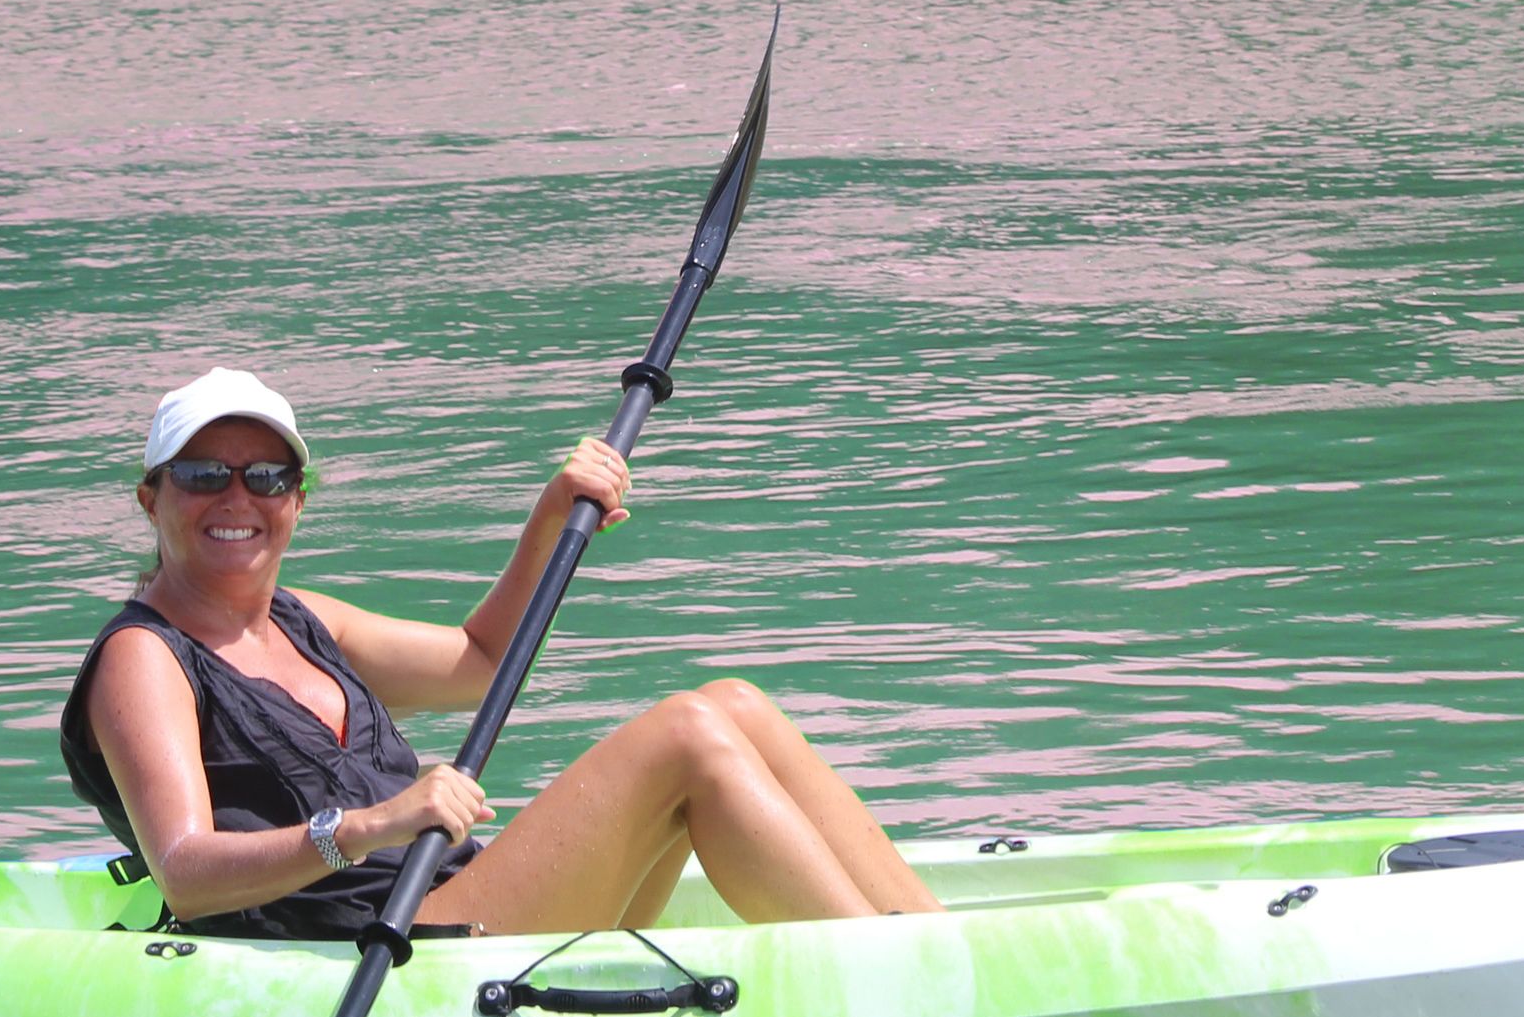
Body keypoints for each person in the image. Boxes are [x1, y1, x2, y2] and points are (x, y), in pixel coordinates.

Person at [59, 367, 945, 940]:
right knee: (688, 737)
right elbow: (187, 871)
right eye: (205, 475)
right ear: (151, 498)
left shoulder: (299, 618)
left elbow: (482, 660)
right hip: (394, 946)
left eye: (269, 476)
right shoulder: (146, 659)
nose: (239, 497)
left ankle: (932, 942)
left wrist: (548, 523)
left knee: (737, 705)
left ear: (299, 499)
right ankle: (905, 989)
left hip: (454, 899)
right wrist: (371, 825)